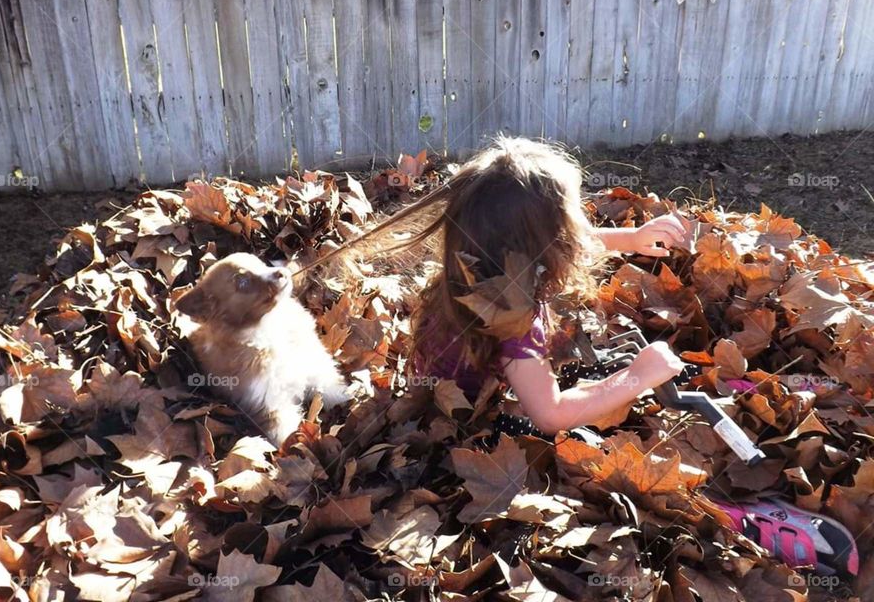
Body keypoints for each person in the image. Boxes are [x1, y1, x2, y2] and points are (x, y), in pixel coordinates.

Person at [318, 136, 858, 577]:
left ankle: (732, 396)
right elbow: (547, 414)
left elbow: (564, 241)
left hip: (475, 396)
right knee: (610, 456)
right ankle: (720, 514)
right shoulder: (513, 321)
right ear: (540, 243)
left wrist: (632, 237)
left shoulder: (477, 264)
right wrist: (635, 378)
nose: (578, 222)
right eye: (571, 214)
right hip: (476, 439)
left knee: (617, 373)